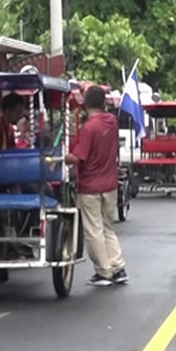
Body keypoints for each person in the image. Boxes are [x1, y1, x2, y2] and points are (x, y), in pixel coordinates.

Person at [66, 86, 127, 287]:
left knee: (94, 231)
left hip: (90, 186)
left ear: (85, 103)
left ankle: (103, 272)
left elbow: (78, 157)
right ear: (104, 103)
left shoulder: (89, 128)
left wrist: (63, 157)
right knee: (107, 228)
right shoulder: (112, 122)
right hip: (110, 185)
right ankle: (118, 268)